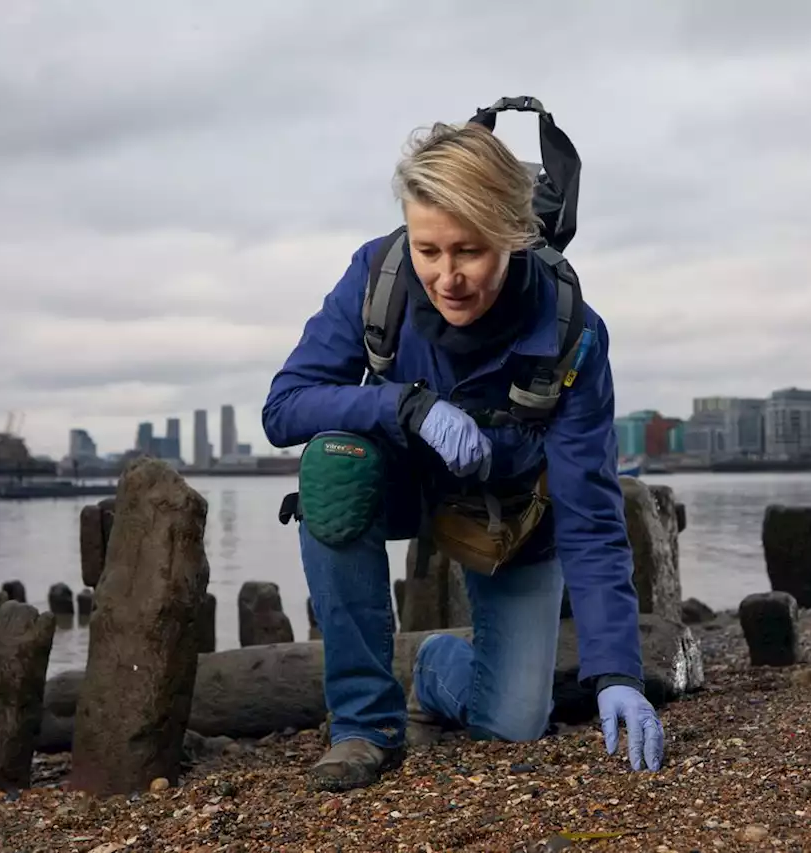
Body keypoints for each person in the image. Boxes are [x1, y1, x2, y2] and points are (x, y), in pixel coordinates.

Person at [262, 100, 664, 793]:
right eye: (429, 250)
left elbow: (591, 515)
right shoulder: (376, 277)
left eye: (469, 250)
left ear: (513, 234)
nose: (446, 276)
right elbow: (284, 407)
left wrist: (618, 671)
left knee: (511, 726)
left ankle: (437, 667)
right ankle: (365, 725)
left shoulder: (573, 334)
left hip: (509, 516)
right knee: (331, 464)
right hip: (404, 486)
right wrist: (406, 405)